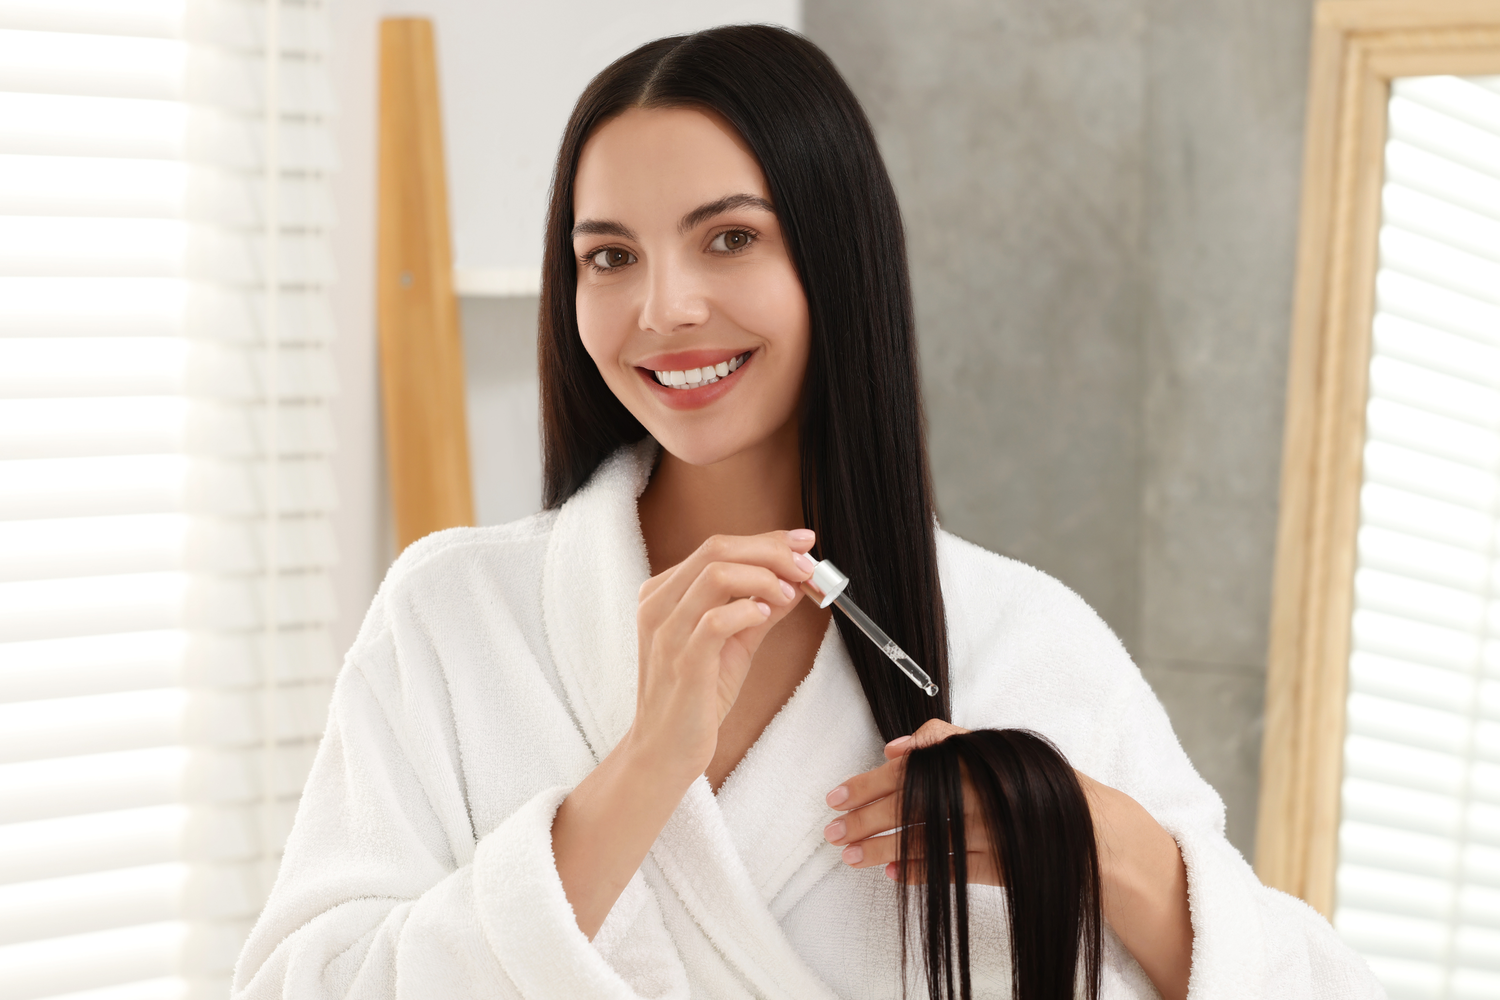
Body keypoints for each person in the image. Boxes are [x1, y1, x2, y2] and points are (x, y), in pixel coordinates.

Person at [233, 25, 1383, 1000]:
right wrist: (640, 772)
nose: (663, 307)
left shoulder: (1022, 641)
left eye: (729, 238)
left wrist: (1105, 849)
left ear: (836, 261)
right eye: (609, 256)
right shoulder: (454, 619)